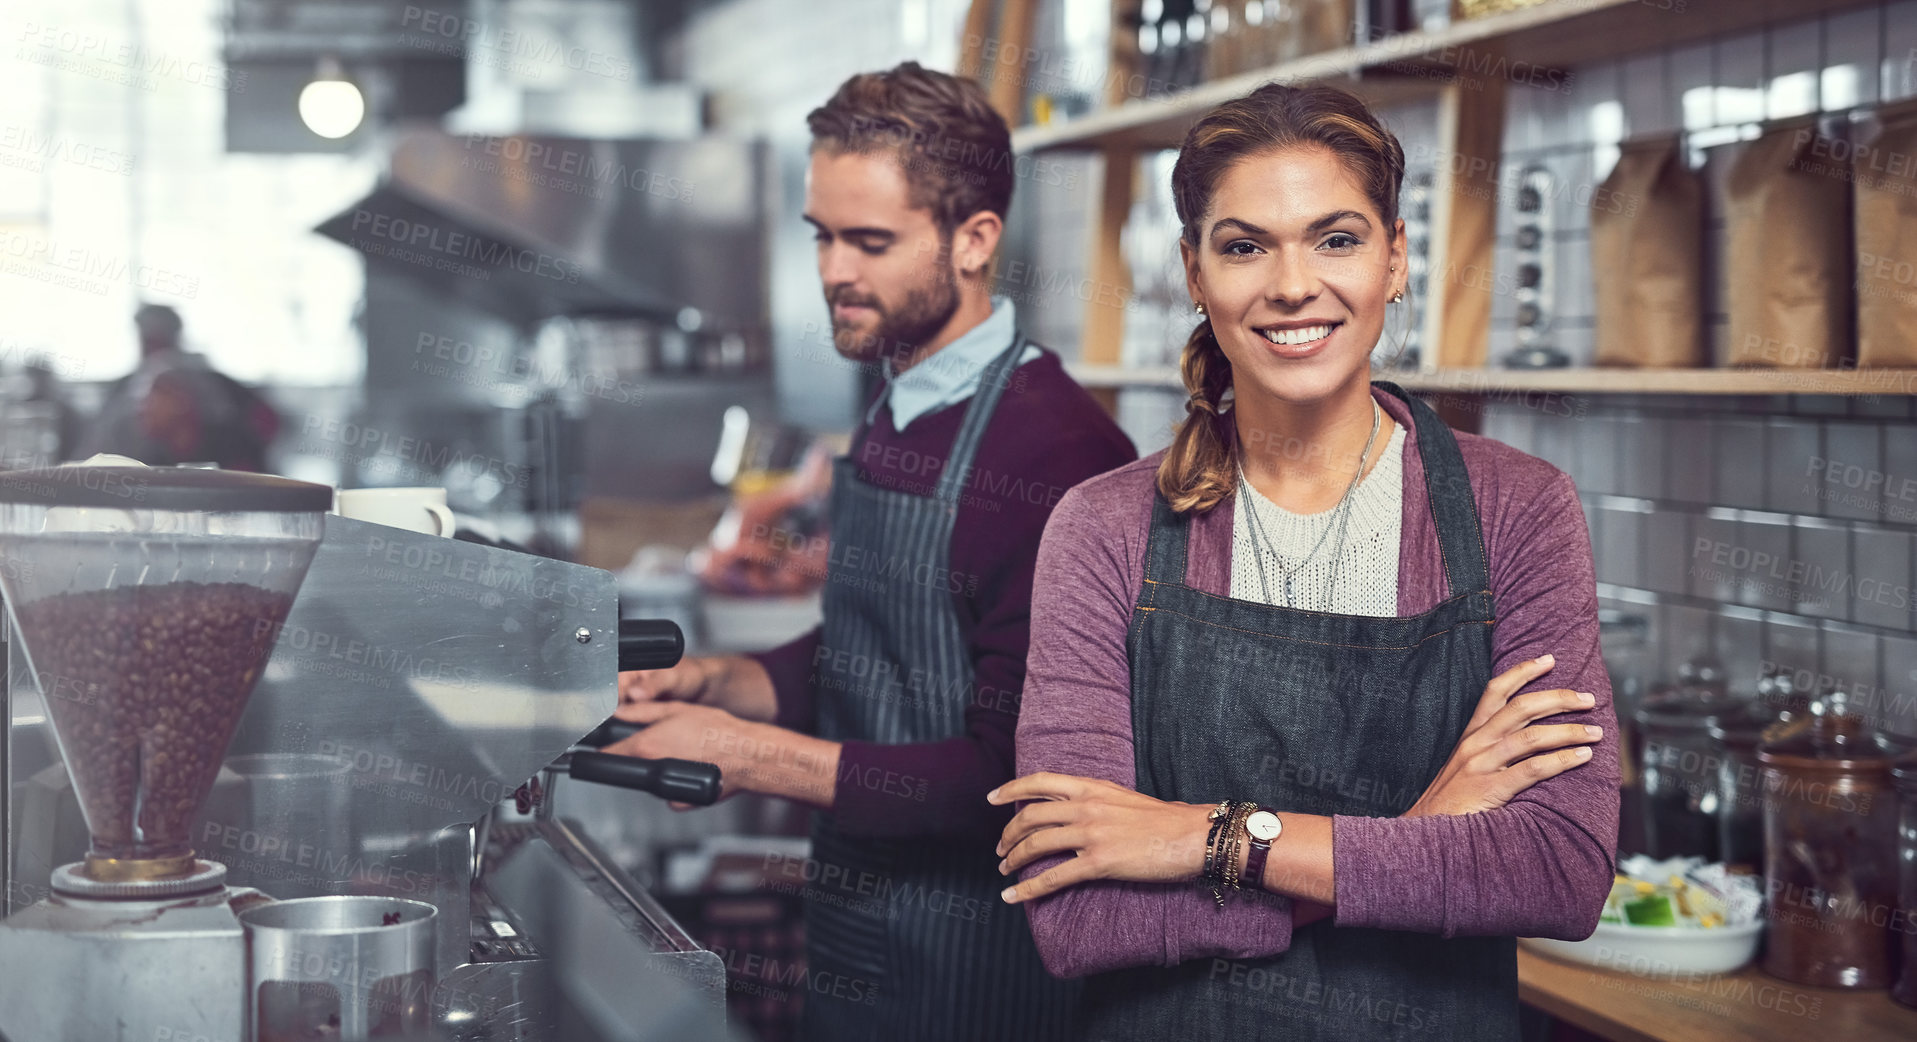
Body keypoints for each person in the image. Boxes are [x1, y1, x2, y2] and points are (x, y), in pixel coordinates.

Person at [989, 83, 1619, 1041]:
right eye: (1244, 246)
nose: (1292, 285)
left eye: (1336, 239)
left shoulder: (1516, 511)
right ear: (1194, 275)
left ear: (1396, 258)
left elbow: (1557, 871)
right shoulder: (1102, 529)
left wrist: (1207, 839)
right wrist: (1427, 827)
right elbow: (1078, 918)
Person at [611, 62, 1135, 1041]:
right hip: (862, 935)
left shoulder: (1060, 455)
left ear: (976, 239)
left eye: (871, 241)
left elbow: (1018, 777)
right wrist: (731, 683)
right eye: (821, 235)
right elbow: (883, 650)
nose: (833, 271)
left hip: (985, 972)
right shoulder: (900, 400)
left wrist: (750, 755)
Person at [79, 304, 280, 471]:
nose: (144, 406)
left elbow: (269, 421)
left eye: (158, 339)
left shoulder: (219, 386)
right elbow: (92, 455)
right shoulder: (122, 392)